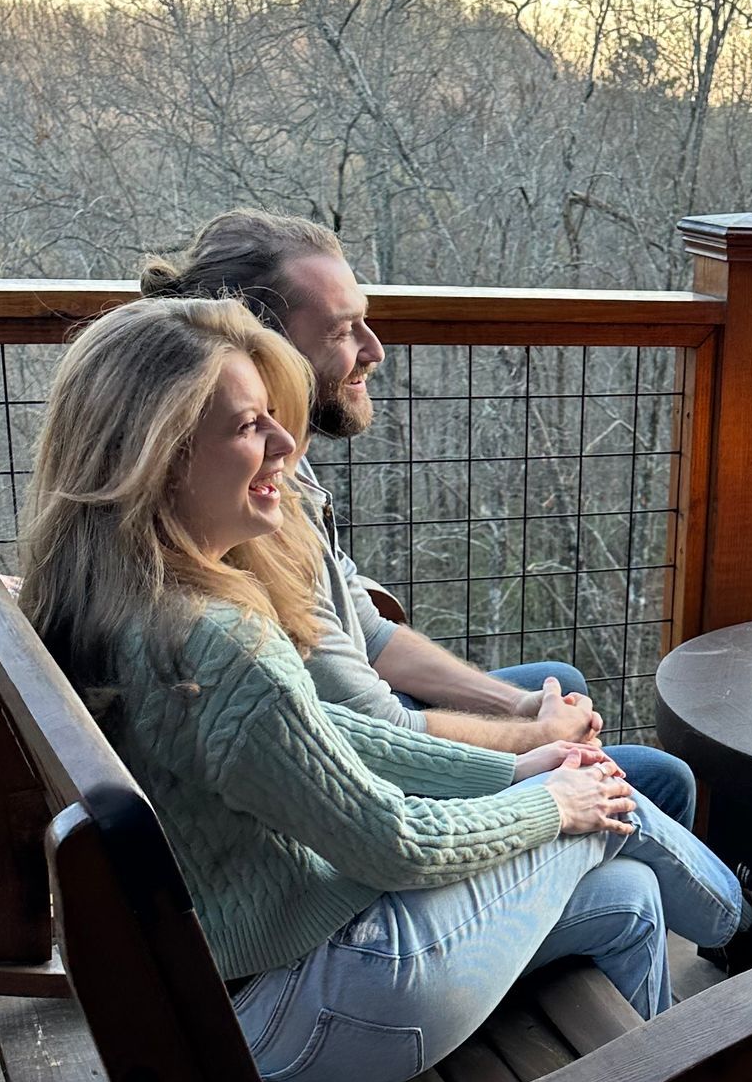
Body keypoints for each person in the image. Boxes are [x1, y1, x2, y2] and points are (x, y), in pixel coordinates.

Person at [18, 293, 752, 1082]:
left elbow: (322, 735)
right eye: (246, 427)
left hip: (238, 982)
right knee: (608, 796)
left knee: (632, 895)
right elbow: (394, 845)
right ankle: (750, 936)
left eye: (275, 416)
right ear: (156, 460)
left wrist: (508, 774)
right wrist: (554, 800)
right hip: (313, 1009)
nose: (282, 444)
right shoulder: (214, 640)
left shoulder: (114, 599)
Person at [136, 208, 700, 823]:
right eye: (342, 330)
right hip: (358, 782)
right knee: (660, 780)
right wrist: (536, 746)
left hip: (360, 735)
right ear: (262, 346)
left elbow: (370, 632)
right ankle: (736, 916)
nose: (374, 349)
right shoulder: (239, 510)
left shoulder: (282, 465)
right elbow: (377, 735)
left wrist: (519, 710)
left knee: (555, 681)